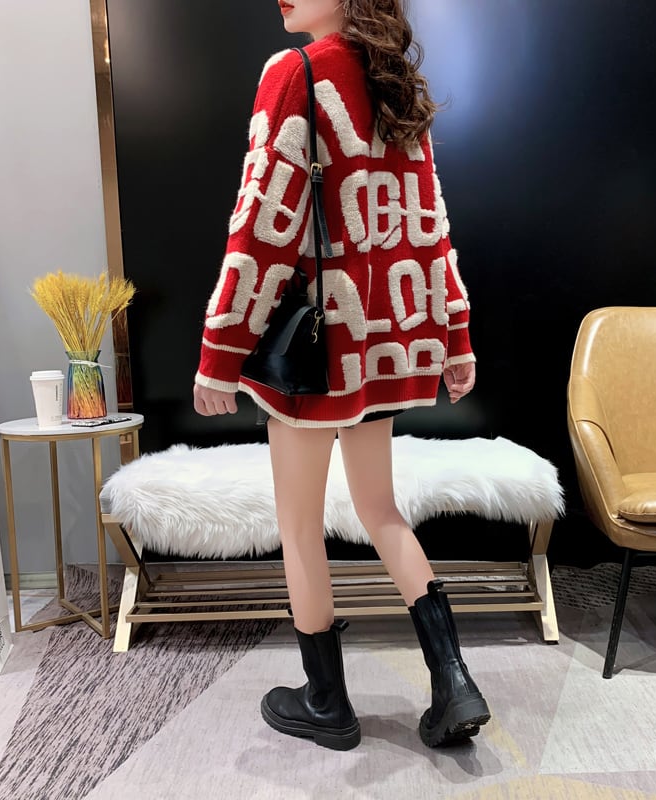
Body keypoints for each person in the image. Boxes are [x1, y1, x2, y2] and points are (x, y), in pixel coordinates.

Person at [193, 0, 489, 751]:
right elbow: (431, 225)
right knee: (380, 509)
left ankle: (326, 701)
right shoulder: (396, 83)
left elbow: (261, 225)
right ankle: (454, 680)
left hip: (317, 354)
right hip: (381, 344)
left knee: (300, 526)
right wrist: (455, 337)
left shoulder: (295, 73)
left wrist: (220, 351)